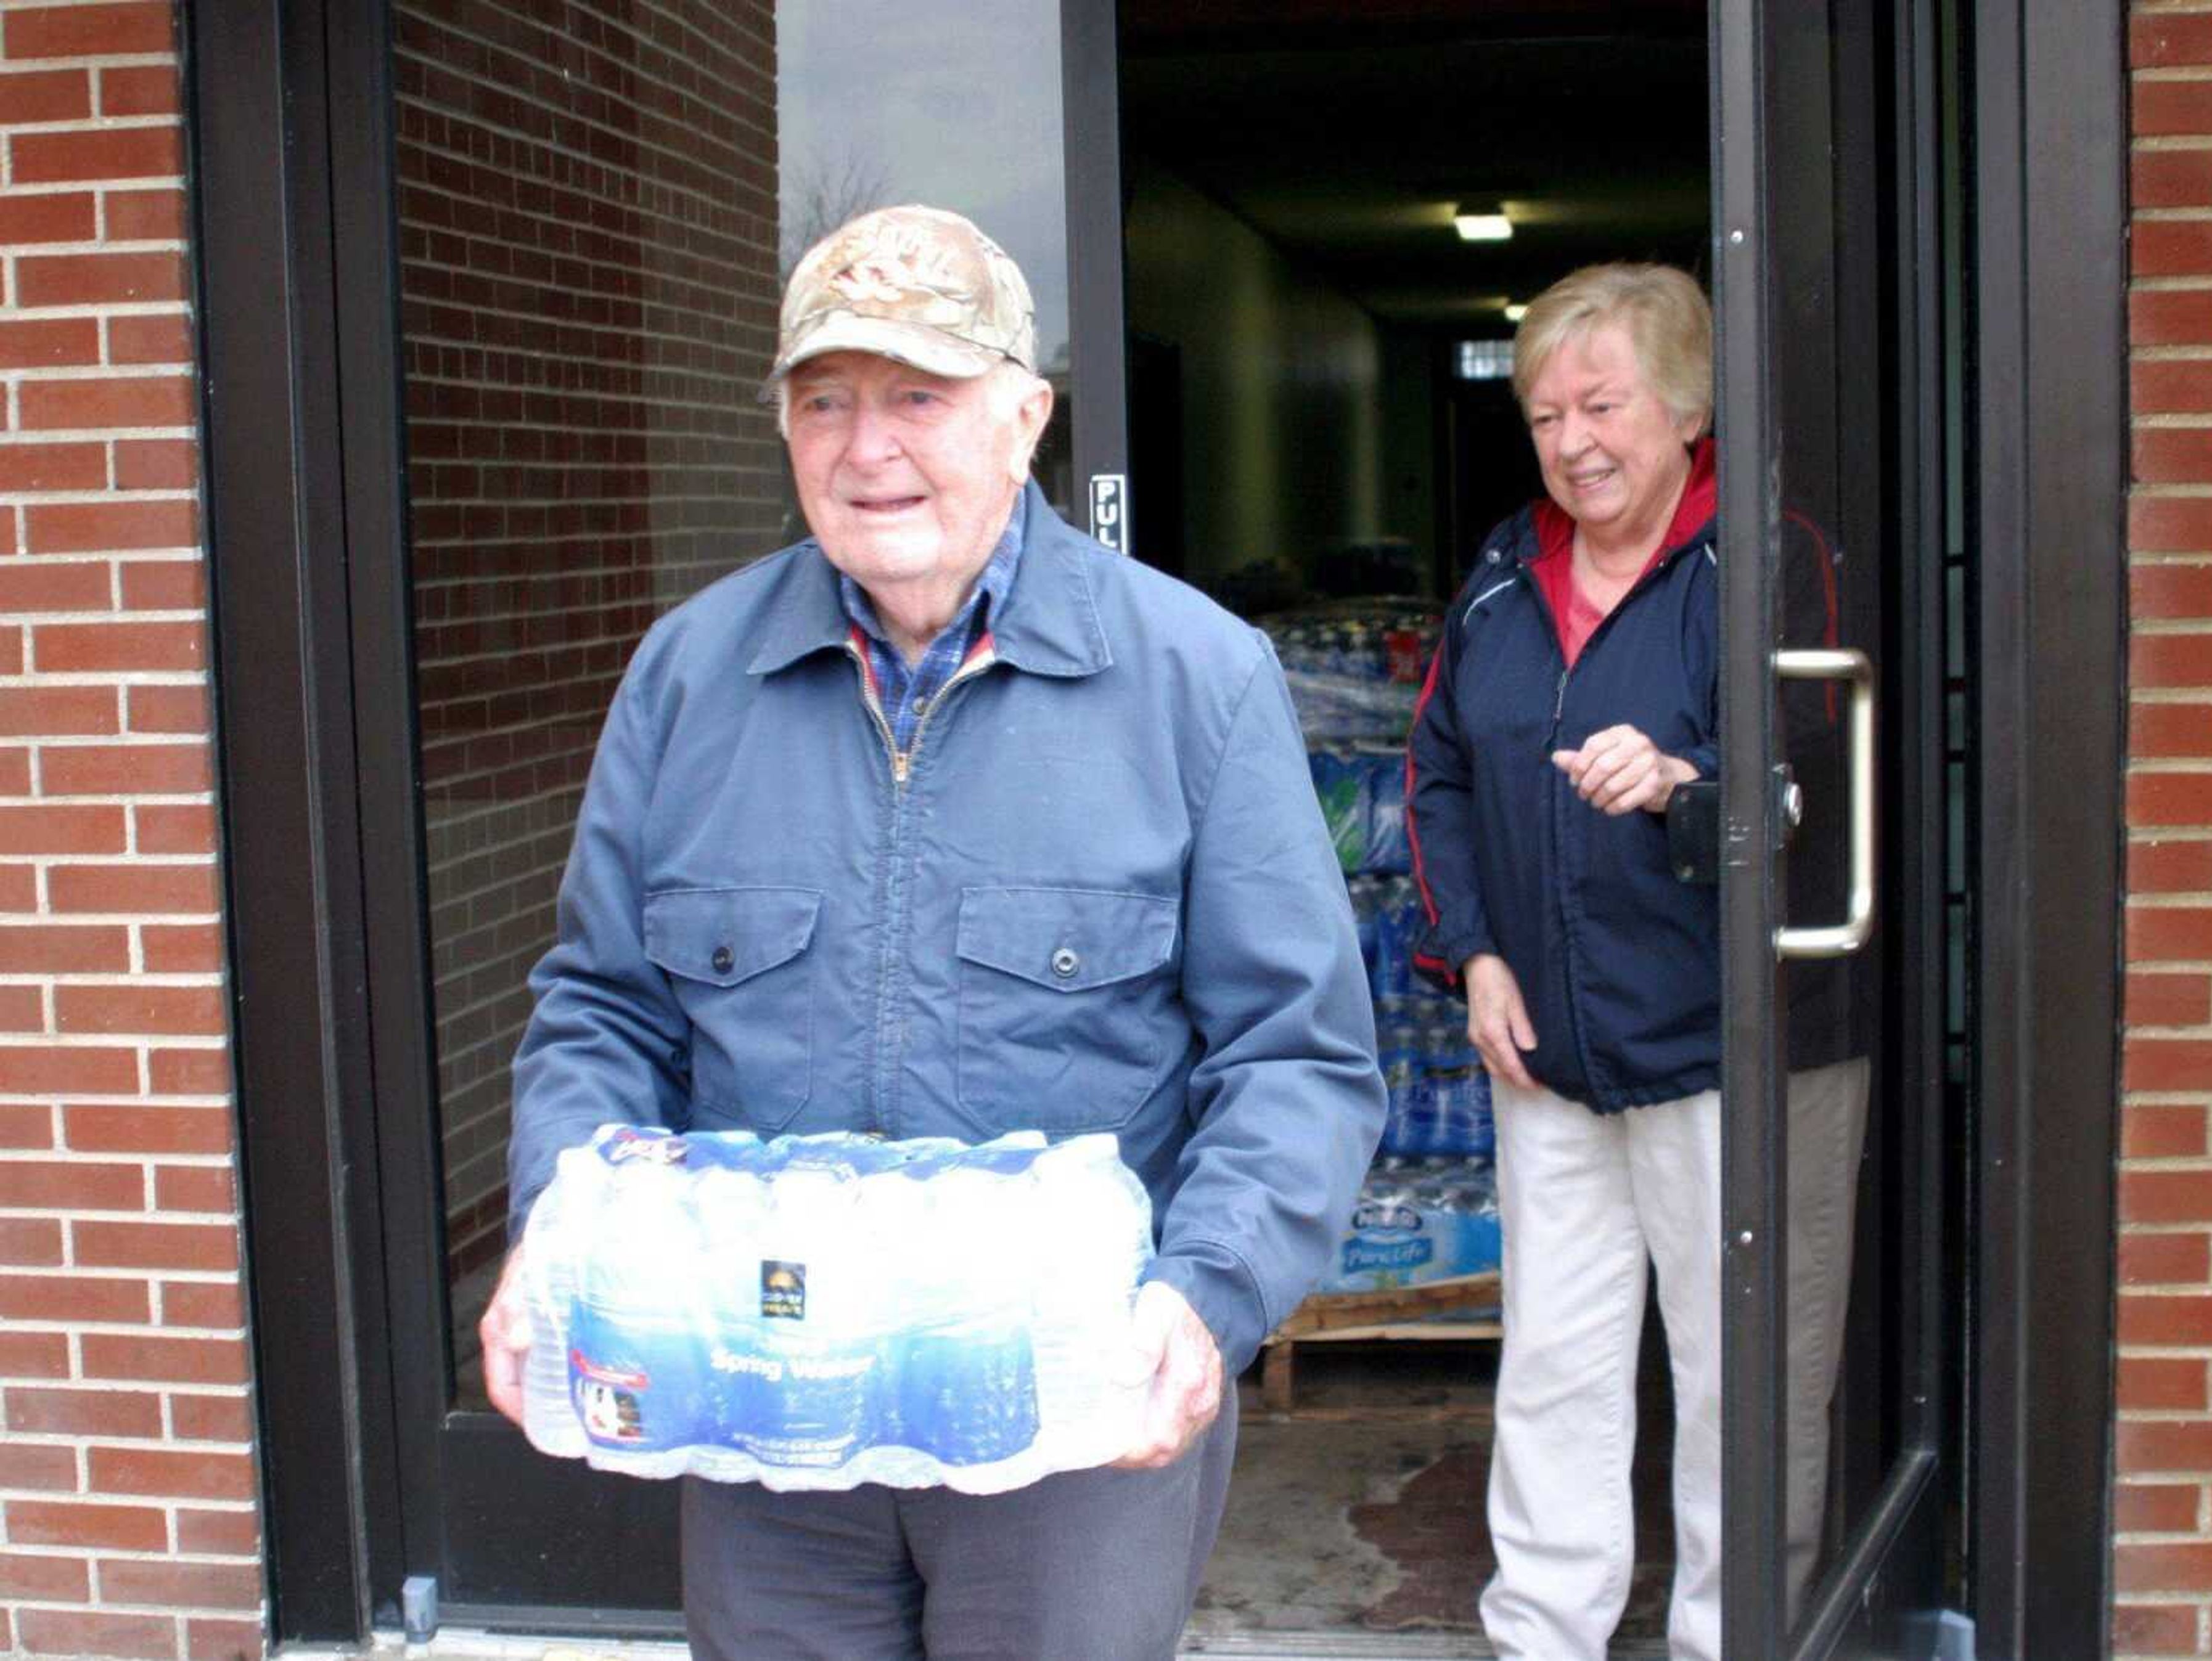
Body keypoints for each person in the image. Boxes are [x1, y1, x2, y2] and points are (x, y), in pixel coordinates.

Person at [475, 204, 1387, 1660]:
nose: (865, 445)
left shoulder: (1193, 680)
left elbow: (1297, 1057)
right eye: (823, 400)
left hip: (1069, 1411)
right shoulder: (690, 676)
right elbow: (602, 1011)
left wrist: (1202, 1300)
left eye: (919, 394)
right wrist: (559, 1230)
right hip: (762, 1401)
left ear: (1026, 415)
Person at [1405, 263, 1869, 1659]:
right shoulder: (1504, 571)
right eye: (1546, 413)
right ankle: (1543, 1631)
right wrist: (1475, 956)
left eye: (1601, 404)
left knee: (1740, 1376)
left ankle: (1734, 1639)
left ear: (1683, 409)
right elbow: (1434, 773)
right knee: (1555, 1366)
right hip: (1549, 1045)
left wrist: (1685, 781)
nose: (1573, 441)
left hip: (1732, 1037)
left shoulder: (1766, 556)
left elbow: (1814, 780)